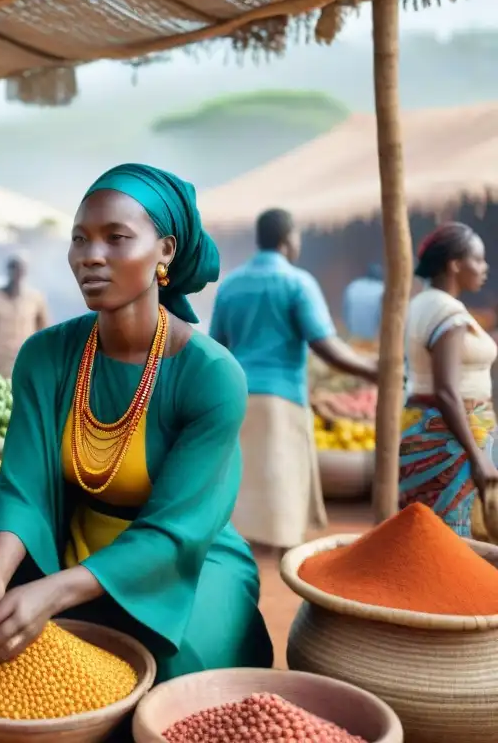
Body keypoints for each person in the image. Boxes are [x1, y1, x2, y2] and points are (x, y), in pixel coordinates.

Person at [0, 164, 273, 685]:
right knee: (5, 652)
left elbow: (175, 530)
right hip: (76, 545)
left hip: (187, 558)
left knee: (167, 670)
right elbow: (24, 486)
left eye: (116, 238)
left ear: (165, 251)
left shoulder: (210, 376)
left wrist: (51, 592)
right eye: (80, 239)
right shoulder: (46, 356)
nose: (90, 256)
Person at [209, 209, 377, 554]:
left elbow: (217, 346)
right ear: (289, 240)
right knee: (281, 479)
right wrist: (372, 371)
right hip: (281, 398)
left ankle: (239, 551)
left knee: (243, 478)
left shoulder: (231, 284)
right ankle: (280, 556)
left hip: (238, 396)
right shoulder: (298, 282)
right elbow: (325, 345)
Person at [400, 222, 497, 537]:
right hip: (451, 436)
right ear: (455, 264)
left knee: (430, 535)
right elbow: (446, 390)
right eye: (478, 259)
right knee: (454, 539)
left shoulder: (422, 303)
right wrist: (478, 457)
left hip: (428, 429)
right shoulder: (448, 313)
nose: (485, 267)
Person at [0, 254, 49, 378]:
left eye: (21, 269)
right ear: (8, 270)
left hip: (26, 357)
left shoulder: (35, 298)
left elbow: (44, 329)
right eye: (14, 268)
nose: (17, 273)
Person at [343, 263, 385, 344]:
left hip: (353, 337)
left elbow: (345, 311)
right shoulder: (382, 289)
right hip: (372, 340)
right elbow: (381, 316)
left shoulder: (353, 286)